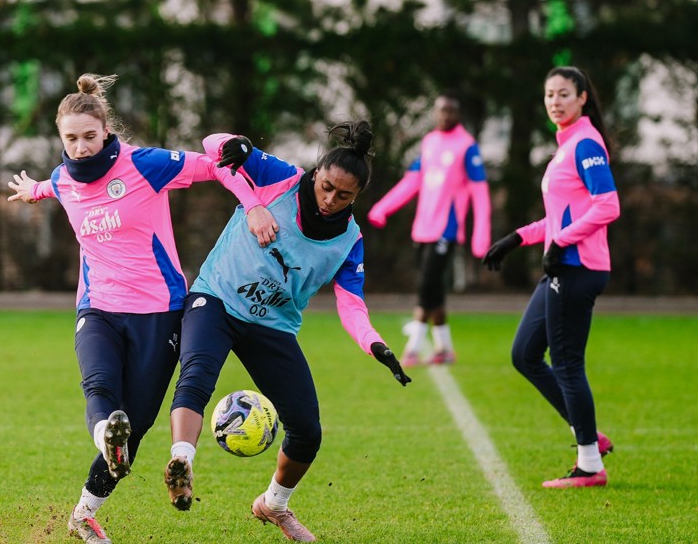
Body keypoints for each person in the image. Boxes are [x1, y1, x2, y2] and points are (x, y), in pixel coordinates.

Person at [7, 73, 278, 543]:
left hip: (158, 312)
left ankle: (83, 514)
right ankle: (106, 441)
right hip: (97, 308)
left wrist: (253, 205)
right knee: (99, 387)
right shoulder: (63, 179)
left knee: (136, 423)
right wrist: (34, 190)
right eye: (70, 139)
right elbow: (55, 187)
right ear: (61, 139)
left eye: (89, 137)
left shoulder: (145, 164)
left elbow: (216, 166)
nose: (81, 148)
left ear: (105, 131)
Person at [162, 121, 412, 542]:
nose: (330, 199)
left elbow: (351, 304)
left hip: (272, 325)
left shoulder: (349, 241)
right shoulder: (281, 178)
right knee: (196, 375)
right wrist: (239, 145)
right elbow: (211, 144)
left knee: (308, 430)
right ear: (317, 174)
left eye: (343, 195)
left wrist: (375, 344)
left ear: (356, 197)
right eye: (326, 187)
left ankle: (274, 504)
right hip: (217, 298)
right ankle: (182, 462)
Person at [481, 66, 619, 488]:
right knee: (524, 354)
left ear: (582, 98)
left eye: (564, 94)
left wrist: (562, 242)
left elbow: (607, 205)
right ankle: (589, 433)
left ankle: (590, 464)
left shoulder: (586, 144)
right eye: (549, 95)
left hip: (577, 269)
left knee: (567, 364)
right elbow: (561, 217)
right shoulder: (567, 146)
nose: (555, 102)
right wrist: (516, 239)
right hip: (563, 266)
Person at [367, 92, 491, 366]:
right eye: (440, 110)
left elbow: (480, 192)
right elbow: (411, 181)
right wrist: (383, 207)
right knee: (433, 290)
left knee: (426, 286)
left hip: (446, 230)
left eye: (450, 110)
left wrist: (481, 234)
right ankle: (445, 348)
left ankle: (413, 347)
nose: (444, 115)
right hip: (422, 229)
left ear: (458, 114)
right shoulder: (429, 142)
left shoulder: (467, 146)